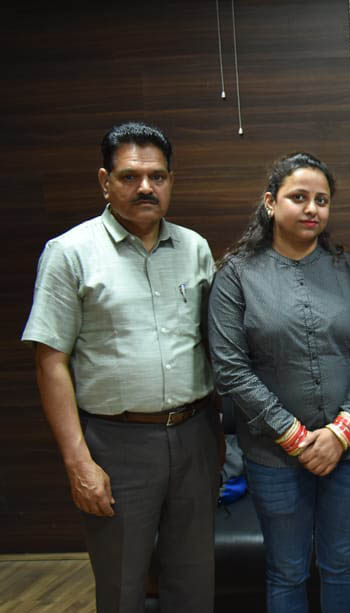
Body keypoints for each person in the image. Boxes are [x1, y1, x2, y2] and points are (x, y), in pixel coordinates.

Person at [21, 121, 221, 613]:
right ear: (105, 182)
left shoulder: (195, 248)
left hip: (194, 437)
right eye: (130, 176)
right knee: (121, 587)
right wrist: (78, 462)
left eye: (158, 176)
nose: (146, 187)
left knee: (194, 584)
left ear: (171, 181)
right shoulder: (70, 253)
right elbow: (50, 361)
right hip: (116, 445)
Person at [207, 152, 350, 612]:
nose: (312, 209)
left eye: (321, 200)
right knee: (287, 569)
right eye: (299, 197)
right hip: (274, 456)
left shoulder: (348, 270)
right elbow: (229, 369)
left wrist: (340, 432)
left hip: (348, 450)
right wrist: (295, 437)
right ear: (270, 202)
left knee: (341, 563)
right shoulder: (236, 275)